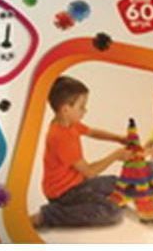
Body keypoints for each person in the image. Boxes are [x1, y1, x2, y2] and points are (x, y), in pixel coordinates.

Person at [30, 76, 134, 228]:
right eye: (81, 106)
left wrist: (119, 138)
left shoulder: (69, 123)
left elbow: (92, 132)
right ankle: (49, 215)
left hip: (77, 182)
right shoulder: (61, 138)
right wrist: (116, 155)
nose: (85, 110)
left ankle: (90, 202)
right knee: (112, 213)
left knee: (116, 182)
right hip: (63, 193)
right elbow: (89, 172)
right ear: (66, 109)